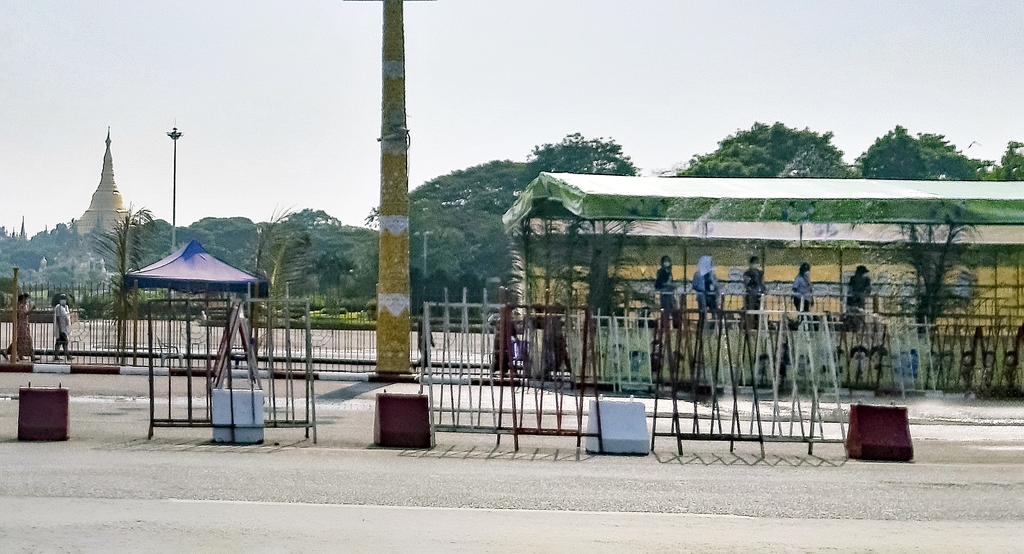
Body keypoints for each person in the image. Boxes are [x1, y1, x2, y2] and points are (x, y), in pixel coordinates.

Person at [53, 293, 72, 362]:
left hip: (65, 328)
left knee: (61, 342)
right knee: (64, 342)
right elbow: (58, 318)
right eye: (62, 298)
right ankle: (67, 356)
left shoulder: (65, 307)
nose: (63, 300)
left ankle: (60, 356)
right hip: (61, 328)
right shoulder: (58, 307)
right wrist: (60, 329)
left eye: (64, 298)